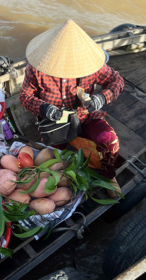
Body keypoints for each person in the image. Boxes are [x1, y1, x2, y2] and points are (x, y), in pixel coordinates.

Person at [20, 20, 124, 198]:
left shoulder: (90, 67)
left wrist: (102, 97)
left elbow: (117, 81)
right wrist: (45, 108)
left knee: (109, 141)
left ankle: (109, 176)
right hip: (55, 122)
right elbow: (25, 96)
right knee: (49, 161)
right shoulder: (37, 69)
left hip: (84, 116)